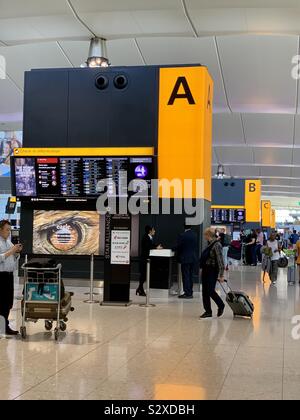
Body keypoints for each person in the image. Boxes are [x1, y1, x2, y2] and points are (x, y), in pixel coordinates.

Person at [0, 220, 22, 336]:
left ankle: (5, 326)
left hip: (9, 275)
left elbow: (13, 257)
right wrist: (11, 251)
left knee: (8, 302)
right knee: (1, 302)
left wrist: (17, 252)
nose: (9, 232)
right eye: (7, 230)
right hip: (1, 276)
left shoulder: (8, 242)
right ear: (0, 230)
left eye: (10, 230)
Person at [199, 228, 225, 319]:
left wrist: (221, 275)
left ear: (208, 235)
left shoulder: (217, 245)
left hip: (212, 271)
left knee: (210, 290)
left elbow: (220, 260)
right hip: (206, 270)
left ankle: (221, 305)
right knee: (204, 292)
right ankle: (208, 311)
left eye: (205, 235)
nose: (204, 237)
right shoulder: (209, 244)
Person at [174, 224, 198, 299]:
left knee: (186, 276)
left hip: (185, 258)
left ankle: (187, 293)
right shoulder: (195, 235)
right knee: (190, 276)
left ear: (184, 227)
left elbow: (179, 246)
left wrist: (172, 248)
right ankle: (190, 292)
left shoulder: (182, 235)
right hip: (193, 258)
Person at [137, 226, 162, 296]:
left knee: (144, 275)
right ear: (150, 231)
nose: (154, 231)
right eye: (153, 230)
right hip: (144, 259)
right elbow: (148, 247)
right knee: (143, 275)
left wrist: (157, 246)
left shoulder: (148, 237)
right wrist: (156, 247)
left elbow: (151, 245)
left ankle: (139, 289)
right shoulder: (146, 237)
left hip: (146, 259)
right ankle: (140, 289)